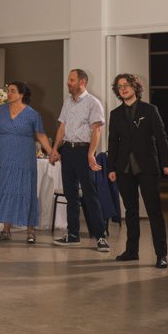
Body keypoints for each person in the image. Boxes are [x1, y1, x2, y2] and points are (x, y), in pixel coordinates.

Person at [0, 81, 51, 243]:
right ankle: (6, 231)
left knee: (25, 190)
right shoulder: (0, 110)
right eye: (8, 90)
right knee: (5, 188)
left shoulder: (32, 114)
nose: (8, 93)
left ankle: (30, 231)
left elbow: (40, 135)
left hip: (23, 159)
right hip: (3, 158)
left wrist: (52, 151)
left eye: (12, 91)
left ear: (21, 95)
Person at [107, 73, 168, 269]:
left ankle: (161, 254)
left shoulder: (150, 110)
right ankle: (131, 251)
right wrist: (111, 167)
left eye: (126, 85)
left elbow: (161, 137)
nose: (123, 88)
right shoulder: (115, 114)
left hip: (147, 167)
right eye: (120, 86)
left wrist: (167, 162)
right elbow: (113, 142)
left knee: (154, 211)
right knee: (131, 212)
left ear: (135, 87)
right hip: (124, 169)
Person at [50, 68, 109, 252]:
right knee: (71, 195)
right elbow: (62, 127)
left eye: (72, 80)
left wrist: (91, 154)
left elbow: (96, 130)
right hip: (67, 151)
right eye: (69, 79)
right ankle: (73, 234)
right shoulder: (68, 101)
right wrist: (55, 149)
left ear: (82, 82)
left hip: (84, 151)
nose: (68, 82)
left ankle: (100, 237)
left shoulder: (93, 103)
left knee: (90, 195)